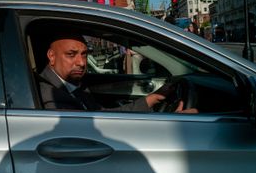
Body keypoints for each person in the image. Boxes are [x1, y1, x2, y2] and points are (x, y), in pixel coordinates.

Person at [38, 33, 197, 113]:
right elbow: (103, 130)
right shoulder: (52, 97)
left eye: (84, 54)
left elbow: (103, 116)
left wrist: (151, 99)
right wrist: (172, 126)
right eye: (71, 55)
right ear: (51, 56)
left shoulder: (71, 85)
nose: (81, 62)